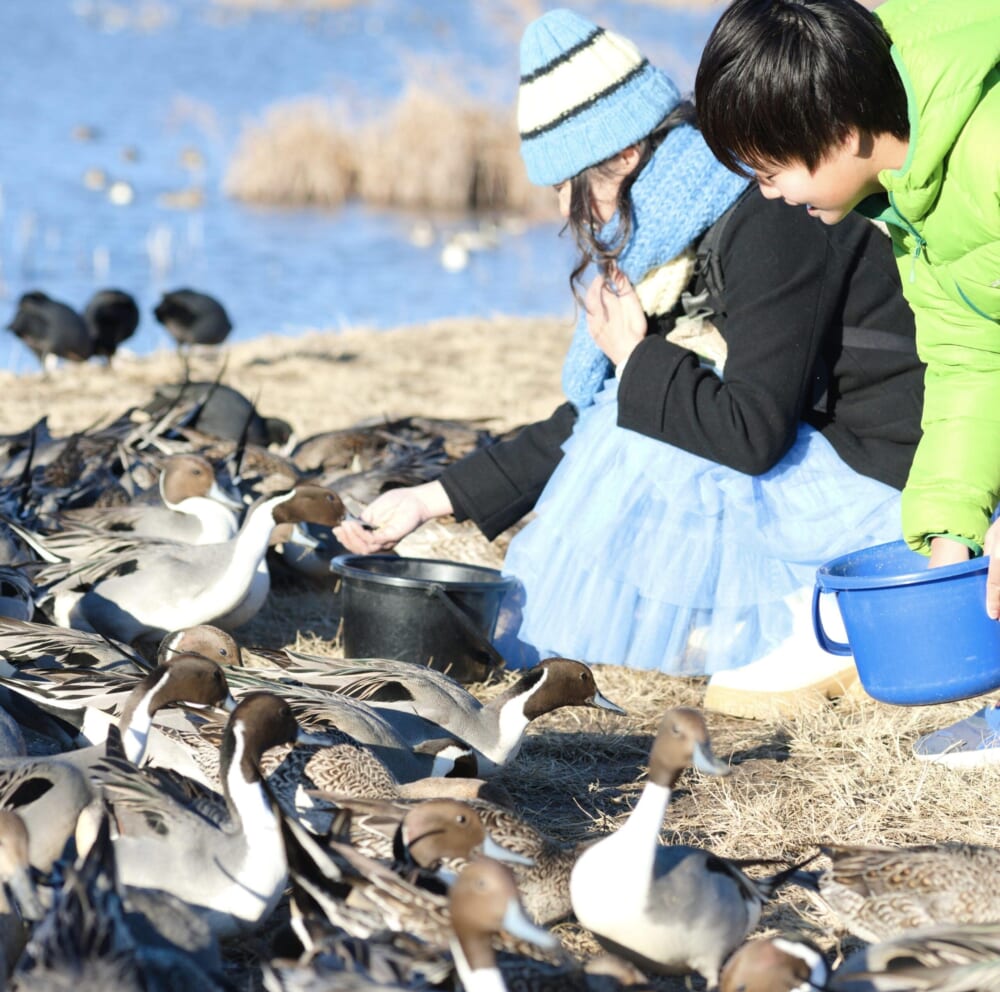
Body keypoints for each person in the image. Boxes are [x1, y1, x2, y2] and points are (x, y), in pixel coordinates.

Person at [335, 8, 925, 720]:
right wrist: (434, 497)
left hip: (885, 480)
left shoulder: (773, 217)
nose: (563, 205)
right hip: (837, 453)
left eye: (567, 180)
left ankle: (822, 603)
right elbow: (601, 409)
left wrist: (638, 355)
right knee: (633, 414)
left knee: (643, 428)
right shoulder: (690, 225)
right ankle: (775, 609)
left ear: (622, 155)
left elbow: (752, 434)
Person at [693, 0, 1000, 755]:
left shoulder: (989, 149)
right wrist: (949, 530)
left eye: (770, 169)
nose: (765, 193)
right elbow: (972, 358)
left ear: (836, 127)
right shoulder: (913, 200)